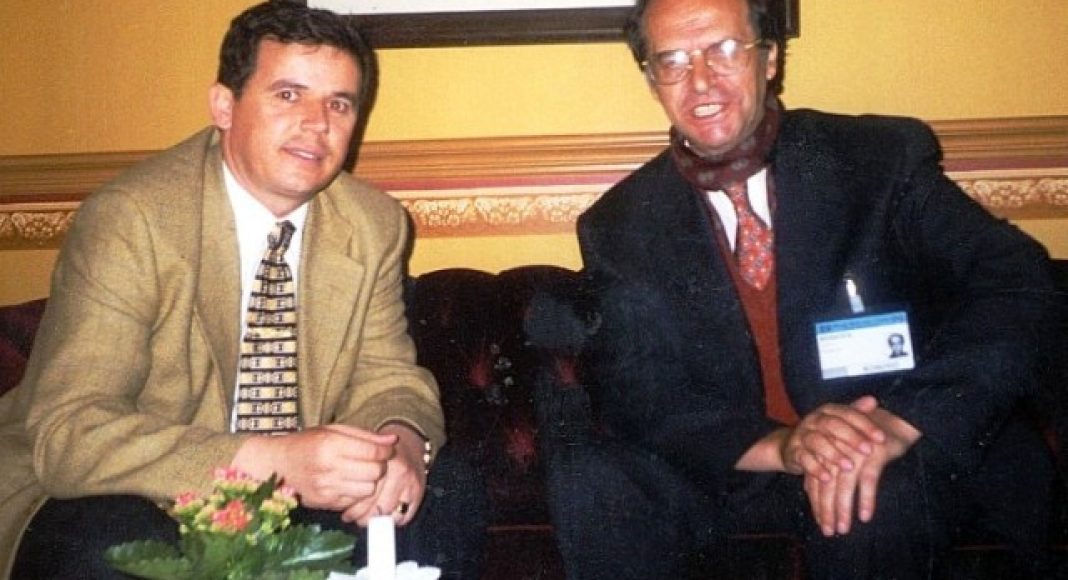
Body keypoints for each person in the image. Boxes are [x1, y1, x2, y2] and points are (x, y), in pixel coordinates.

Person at [542, 0, 1059, 578]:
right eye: (674, 61)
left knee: (862, 498)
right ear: (652, 80)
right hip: (749, 465)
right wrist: (784, 447)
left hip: (894, 448)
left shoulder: (875, 161)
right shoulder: (620, 223)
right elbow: (641, 390)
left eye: (724, 50)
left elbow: (1017, 279)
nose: (701, 81)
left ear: (769, 59)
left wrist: (900, 420)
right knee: (591, 478)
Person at [0, 2, 484, 578]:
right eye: (288, 95)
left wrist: (399, 444)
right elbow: (71, 434)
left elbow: (387, 377)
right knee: (110, 547)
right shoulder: (133, 218)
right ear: (224, 106)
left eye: (339, 103)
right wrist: (272, 462)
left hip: (291, 497)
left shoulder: (372, 222)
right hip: (144, 488)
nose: (317, 123)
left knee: (448, 490)